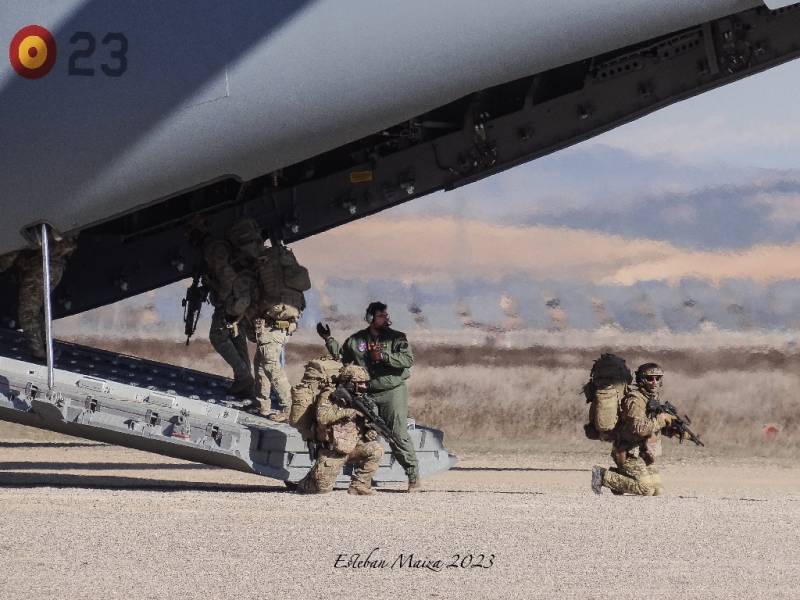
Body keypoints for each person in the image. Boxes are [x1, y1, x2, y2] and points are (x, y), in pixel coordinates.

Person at [318, 301, 420, 491]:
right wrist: (328, 339)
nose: (386, 318)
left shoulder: (397, 338)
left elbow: (408, 360)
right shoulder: (356, 341)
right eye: (381, 315)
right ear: (370, 317)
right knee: (366, 433)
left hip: (392, 391)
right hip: (367, 394)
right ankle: (363, 478)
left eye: (386, 315)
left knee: (397, 433)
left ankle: (413, 475)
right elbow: (342, 357)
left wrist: (384, 357)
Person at [243, 239, 310, 420]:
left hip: (273, 328)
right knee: (260, 367)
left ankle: (288, 408)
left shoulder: (267, 267)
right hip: (279, 327)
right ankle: (262, 405)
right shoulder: (284, 263)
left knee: (272, 367)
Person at [290, 365, 384, 495]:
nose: (363, 386)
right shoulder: (329, 394)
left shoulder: (361, 399)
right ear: (348, 382)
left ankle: (359, 485)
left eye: (365, 383)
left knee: (376, 449)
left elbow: (362, 428)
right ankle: (306, 482)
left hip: (351, 448)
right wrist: (347, 412)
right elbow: (322, 417)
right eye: (359, 383)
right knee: (321, 490)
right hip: (331, 452)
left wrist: (369, 431)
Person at [591, 363, 674, 496]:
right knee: (646, 489)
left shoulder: (652, 399)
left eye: (657, 378)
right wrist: (661, 419)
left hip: (643, 454)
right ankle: (602, 476)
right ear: (642, 380)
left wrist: (676, 429)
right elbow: (639, 429)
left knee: (658, 490)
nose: (654, 382)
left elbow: (656, 427)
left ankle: (618, 479)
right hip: (628, 453)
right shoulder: (635, 400)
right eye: (650, 378)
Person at [199, 219, 260, 398]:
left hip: (232, 302)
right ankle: (244, 380)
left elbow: (227, 279)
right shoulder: (232, 249)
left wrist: (221, 299)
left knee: (217, 336)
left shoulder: (216, 250)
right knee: (237, 336)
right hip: (243, 301)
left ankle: (243, 377)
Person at [14, 236, 76, 359]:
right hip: (51, 266)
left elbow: (11, 250)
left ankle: (39, 352)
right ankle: (45, 348)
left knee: (28, 312)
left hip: (41, 268)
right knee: (35, 311)